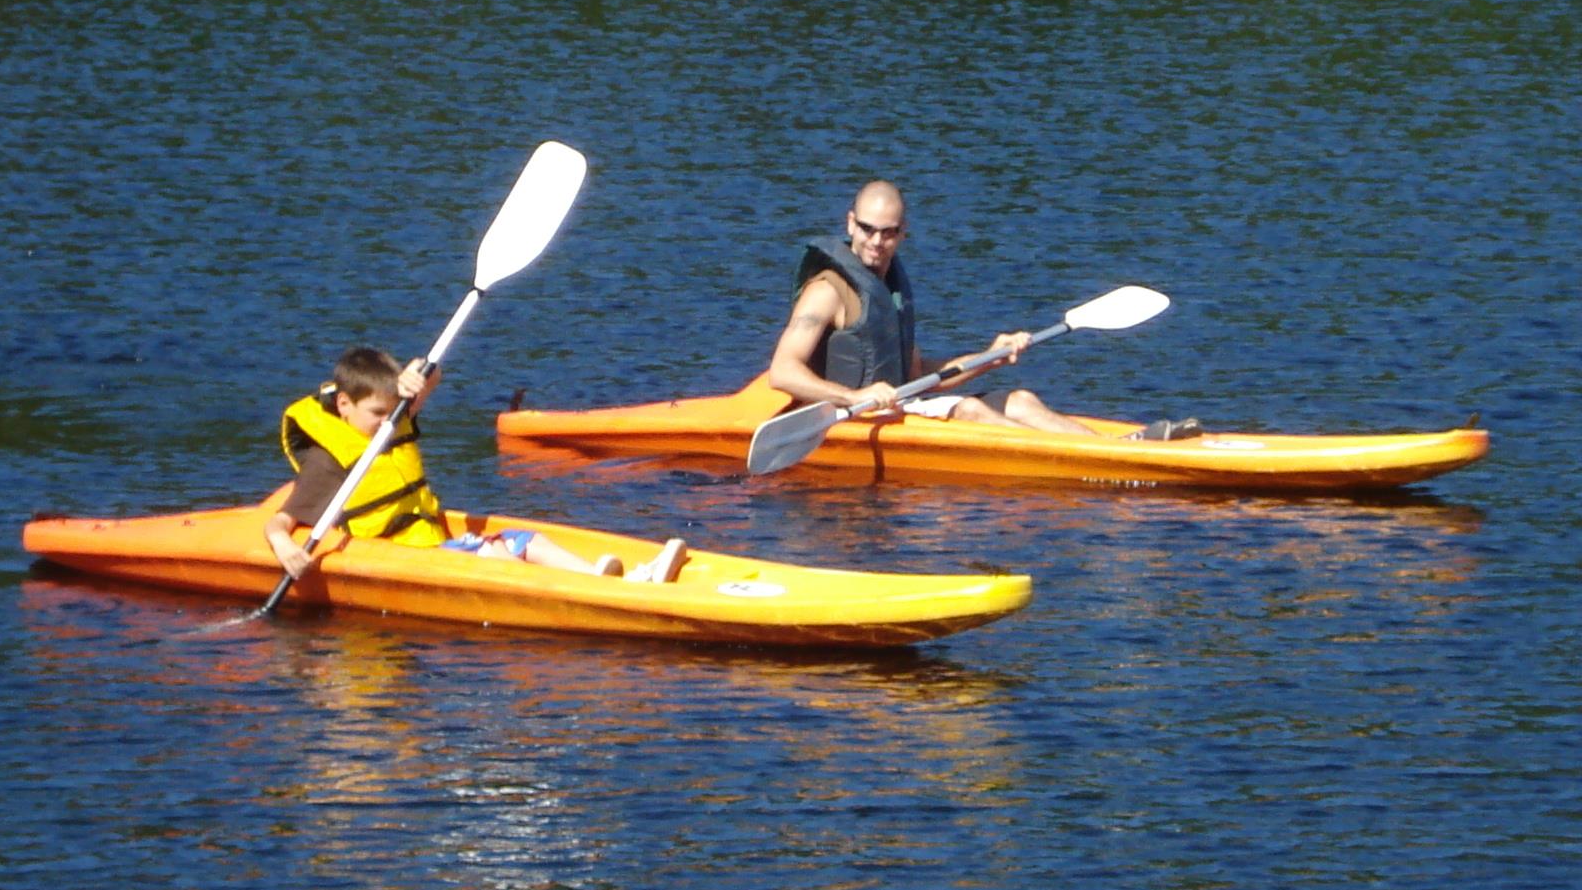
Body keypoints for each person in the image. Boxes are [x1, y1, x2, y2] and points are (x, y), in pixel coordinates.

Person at [767, 180, 1199, 439]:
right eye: (867, 230)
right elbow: (782, 371)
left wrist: (991, 356)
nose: (876, 243)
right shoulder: (827, 291)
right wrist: (853, 395)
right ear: (849, 224)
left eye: (888, 233)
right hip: (851, 418)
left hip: (896, 406)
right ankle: (1092, 460)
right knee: (971, 411)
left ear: (903, 233)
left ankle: (1114, 449)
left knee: (1021, 399)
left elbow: (917, 377)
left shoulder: (890, 288)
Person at [266, 346, 688, 582]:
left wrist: (416, 375)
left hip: (432, 541)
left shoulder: (394, 423)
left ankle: (599, 578)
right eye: (377, 413)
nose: (387, 423)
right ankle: (601, 590)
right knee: (494, 553)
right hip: (407, 556)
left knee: (527, 539)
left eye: (393, 411)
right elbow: (279, 522)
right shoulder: (328, 462)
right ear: (344, 405)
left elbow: (429, 380)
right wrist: (286, 550)